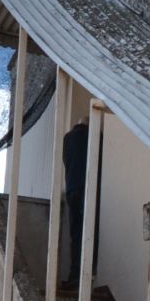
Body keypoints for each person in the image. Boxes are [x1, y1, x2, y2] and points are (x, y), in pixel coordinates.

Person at [60, 120, 90, 288]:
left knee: (75, 232)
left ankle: (74, 274)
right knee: (86, 232)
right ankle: (83, 273)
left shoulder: (67, 139)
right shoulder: (91, 137)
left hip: (71, 189)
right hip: (85, 189)